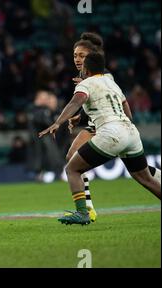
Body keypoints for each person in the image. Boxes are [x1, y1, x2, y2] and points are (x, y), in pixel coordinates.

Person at [39, 52, 161, 225]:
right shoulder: (112, 84)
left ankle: (82, 212)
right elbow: (128, 112)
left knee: (72, 169)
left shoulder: (86, 83)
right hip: (130, 131)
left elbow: (76, 101)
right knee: (146, 178)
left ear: (86, 69)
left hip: (111, 132)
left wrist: (58, 122)